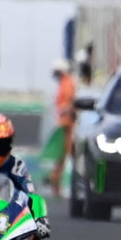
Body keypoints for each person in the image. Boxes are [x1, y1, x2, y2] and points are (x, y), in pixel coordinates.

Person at [47, 60, 78, 193]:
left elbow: (69, 103)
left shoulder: (67, 84)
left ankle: (56, 179)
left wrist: (65, 115)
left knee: (66, 152)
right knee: (62, 153)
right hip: (65, 122)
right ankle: (55, 178)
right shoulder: (65, 83)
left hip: (67, 123)